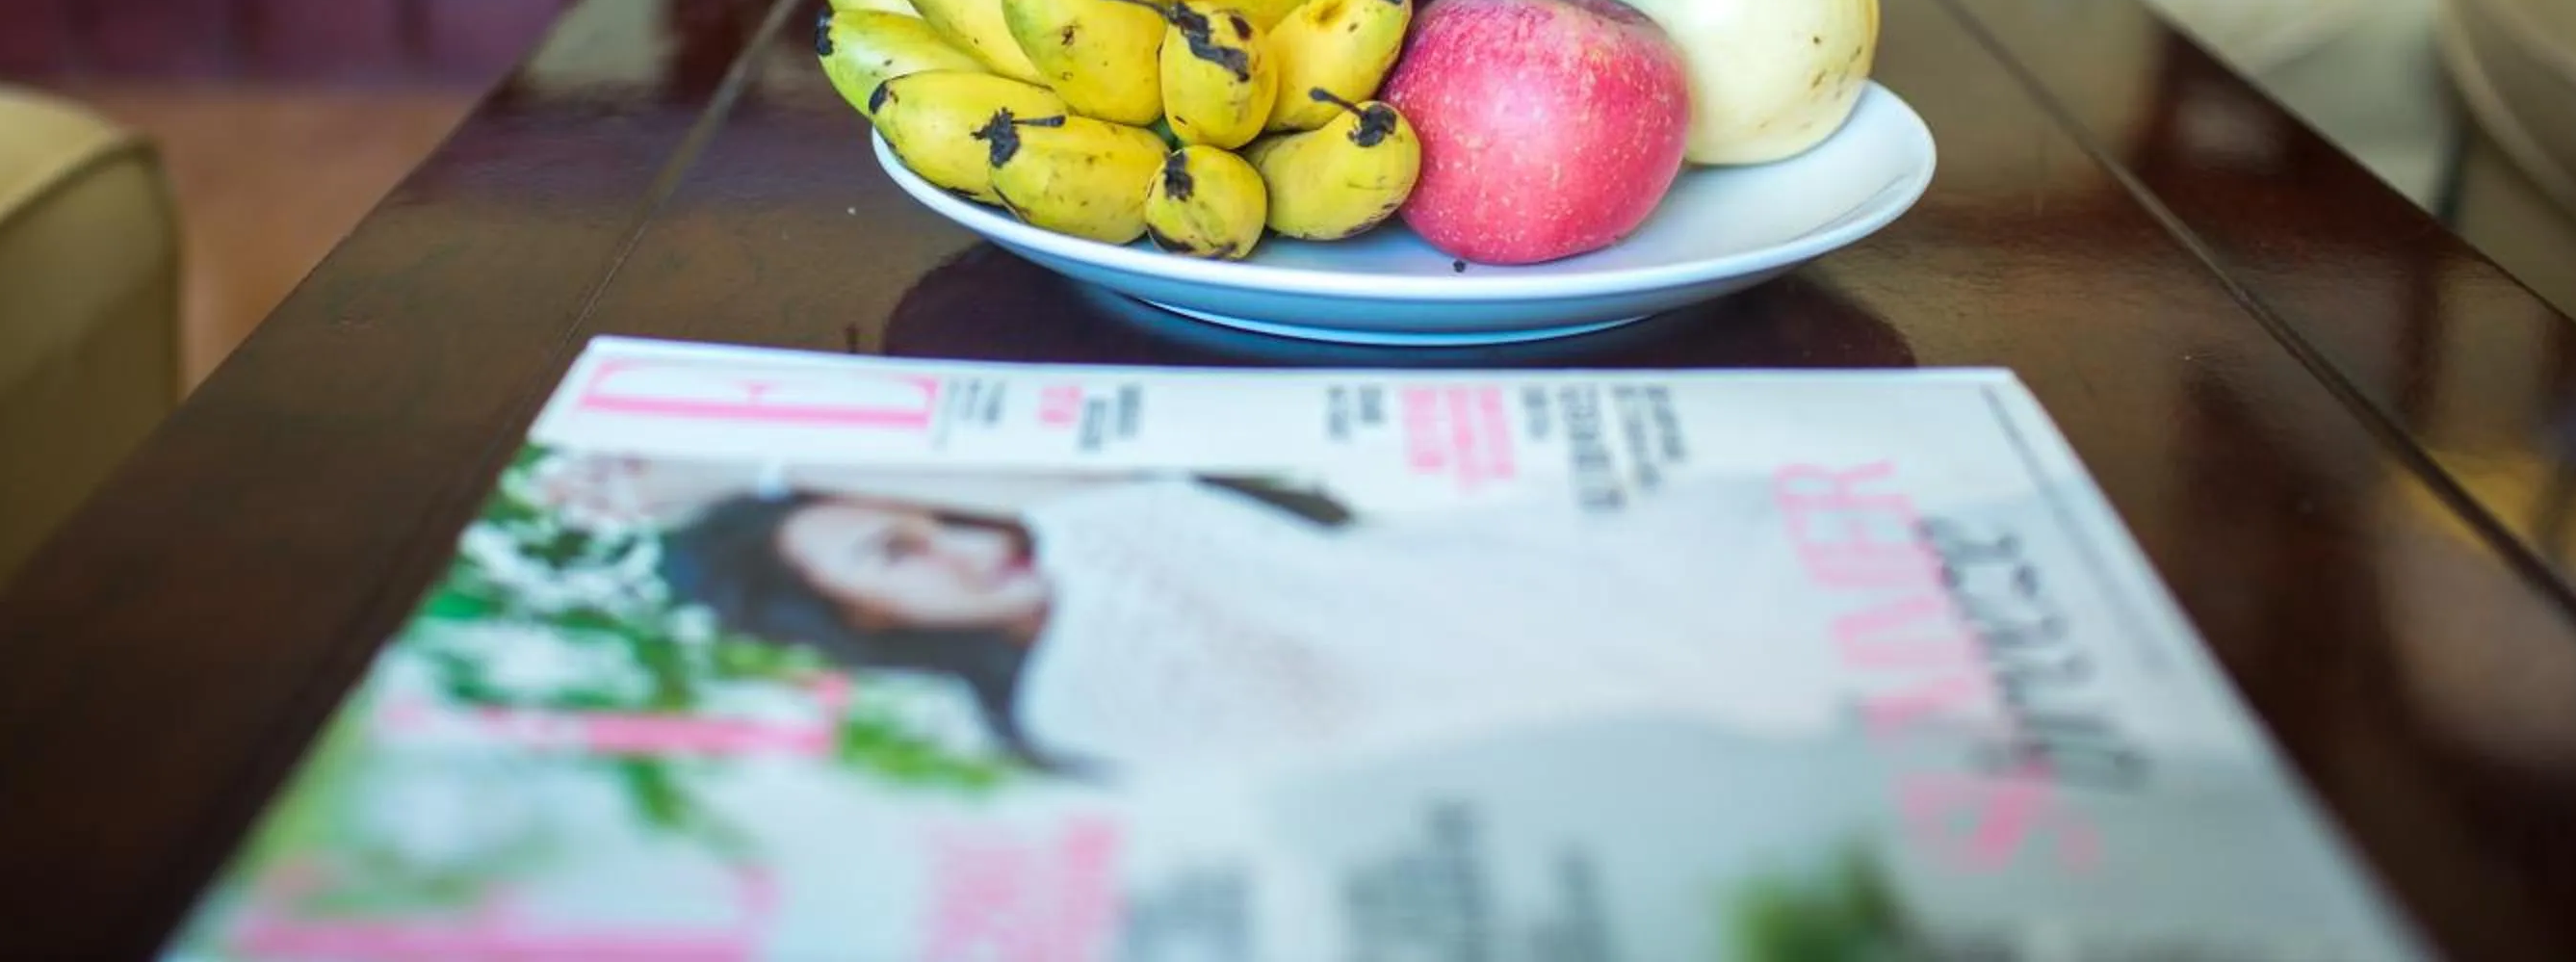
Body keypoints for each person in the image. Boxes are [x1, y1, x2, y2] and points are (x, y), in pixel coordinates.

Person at [660, 468, 1834, 780]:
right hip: (1671, 647)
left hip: (1648, 555)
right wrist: (753, 461)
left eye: (929, 518)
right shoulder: (1075, 689)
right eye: (900, 553)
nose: (964, 542)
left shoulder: (1073, 548)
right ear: (867, 614)